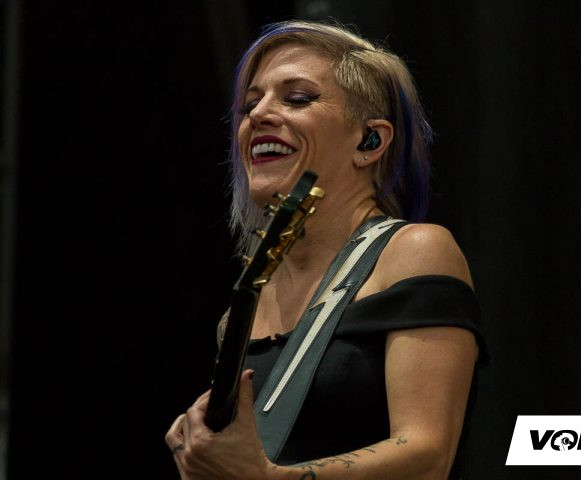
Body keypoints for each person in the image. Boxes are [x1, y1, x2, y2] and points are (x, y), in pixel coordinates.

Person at [166, 20, 489, 479]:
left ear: (370, 140)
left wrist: (269, 478)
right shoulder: (242, 313)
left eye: (297, 98)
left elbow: (427, 456)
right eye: (250, 104)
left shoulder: (413, 252)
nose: (258, 115)